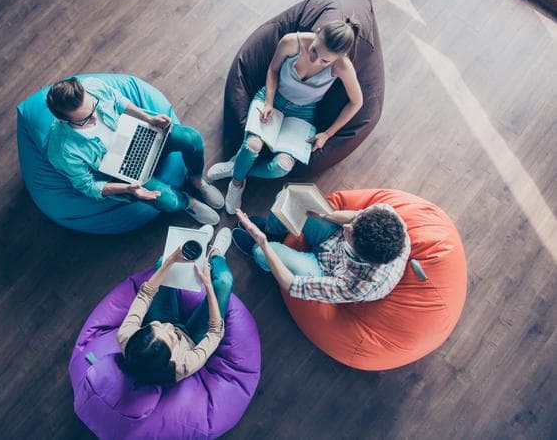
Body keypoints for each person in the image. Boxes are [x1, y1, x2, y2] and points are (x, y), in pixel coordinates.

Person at [208, 19, 364, 214]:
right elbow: (273, 70)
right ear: (317, 31)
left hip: (303, 112)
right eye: (314, 50)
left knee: (282, 167)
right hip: (272, 97)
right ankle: (237, 183)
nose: (316, 60)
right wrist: (269, 103)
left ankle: (237, 167)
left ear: (340, 57)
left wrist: (327, 134)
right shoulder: (291, 42)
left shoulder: (343, 67)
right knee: (252, 145)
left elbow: (357, 102)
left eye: (325, 61)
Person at [46, 76, 224, 225]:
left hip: (137, 134)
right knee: (167, 201)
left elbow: (118, 100)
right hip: (121, 171)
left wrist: (149, 118)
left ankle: (196, 181)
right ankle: (188, 202)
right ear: (64, 120)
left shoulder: (93, 86)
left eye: (93, 106)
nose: (94, 117)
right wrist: (128, 188)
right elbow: (89, 186)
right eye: (84, 120)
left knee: (192, 138)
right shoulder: (62, 151)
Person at [117, 226, 234, 385]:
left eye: (155, 326)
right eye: (171, 336)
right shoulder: (182, 366)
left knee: (161, 262)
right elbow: (215, 332)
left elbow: (145, 294)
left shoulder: (126, 336)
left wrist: (171, 260)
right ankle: (216, 255)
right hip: (192, 337)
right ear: (170, 358)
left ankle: (194, 249)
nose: (169, 327)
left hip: (163, 315)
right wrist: (208, 284)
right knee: (224, 282)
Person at [232, 201, 410, 303]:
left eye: (351, 233)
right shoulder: (388, 217)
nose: (347, 226)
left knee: (266, 252)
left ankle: (256, 249)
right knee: (289, 202)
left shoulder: (357, 286)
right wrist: (325, 215)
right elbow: (355, 217)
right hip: (333, 239)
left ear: (359, 253)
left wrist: (262, 243)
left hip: (325, 271)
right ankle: (273, 229)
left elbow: (291, 284)